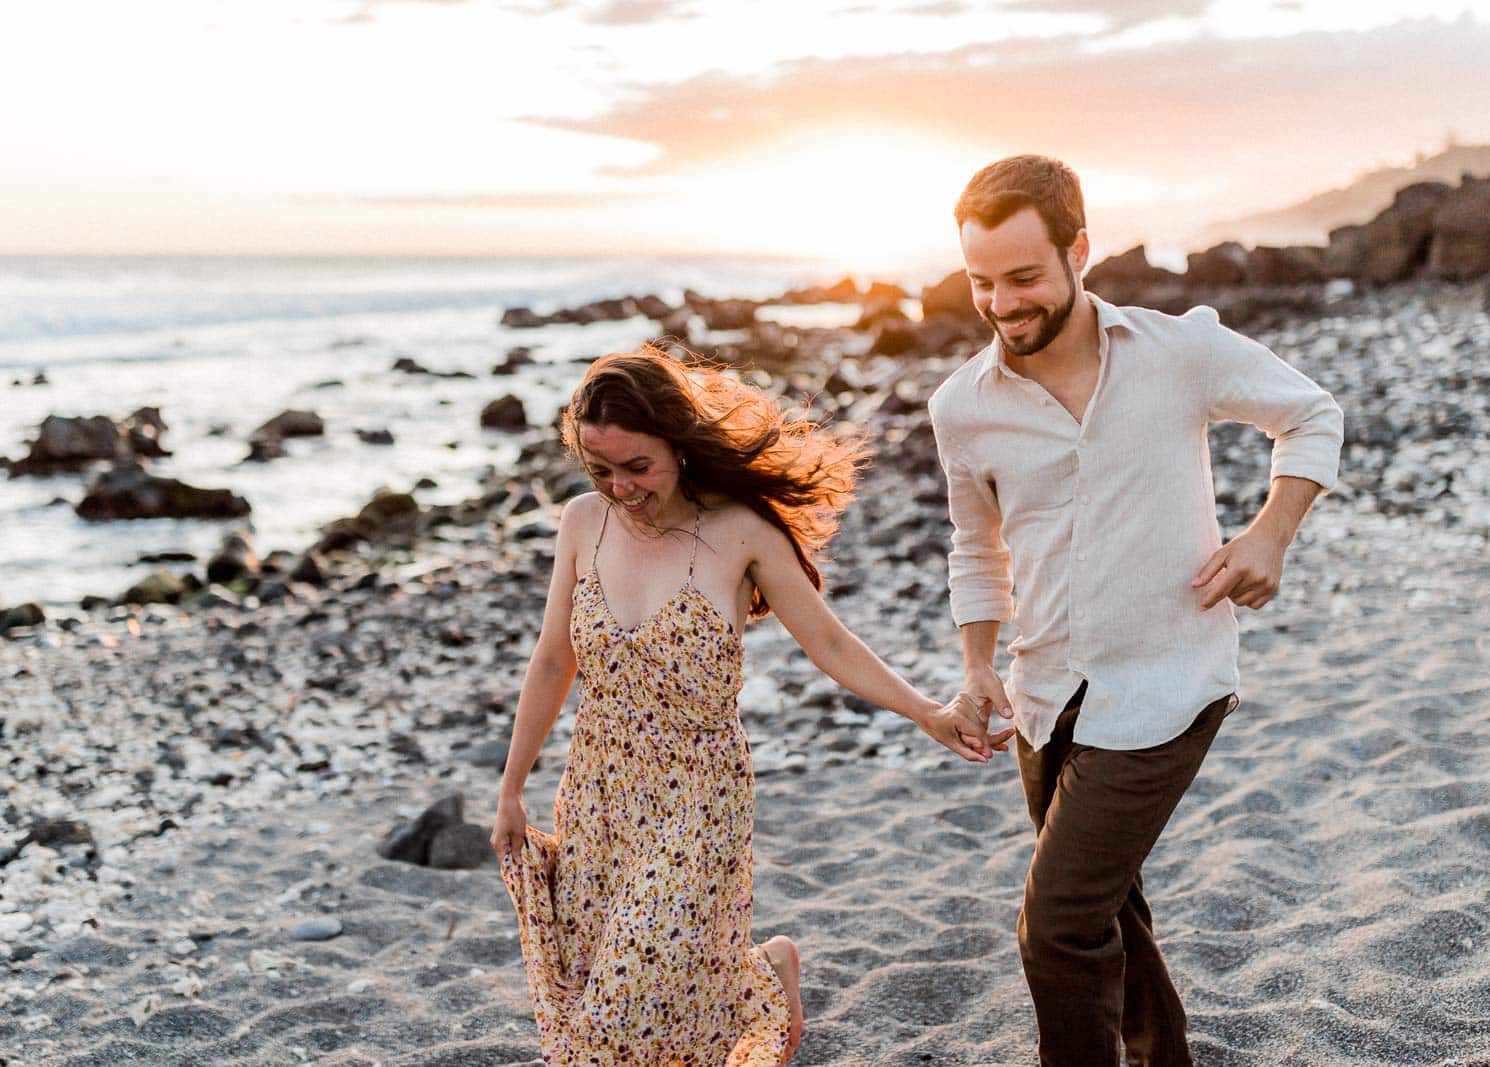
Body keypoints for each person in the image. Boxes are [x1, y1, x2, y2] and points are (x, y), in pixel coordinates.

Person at [928, 156, 1343, 1067]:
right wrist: (976, 664)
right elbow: (975, 548)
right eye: (981, 280)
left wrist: (1272, 531)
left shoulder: (1179, 351)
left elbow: (1311, 415)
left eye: (1025, 276)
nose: (1002, 302)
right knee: (1111, 908)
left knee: (1057, 927)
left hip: (1168, 683)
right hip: (1045, 696)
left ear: (1081, 249)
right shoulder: (961, 407)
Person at [490, 346, 1014, 1067]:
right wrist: (512, 787)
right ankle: (760, 968)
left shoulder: (742, 532)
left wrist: (926, 710)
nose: (621, 487)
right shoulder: (584, 522)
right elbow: (554, 658)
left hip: (700, 795)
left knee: (619, 1007)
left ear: (679, 443)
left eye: (637, 466)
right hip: (598, 790)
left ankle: (756, 976)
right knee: (613, 982)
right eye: (600, 469)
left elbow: (829, 640)